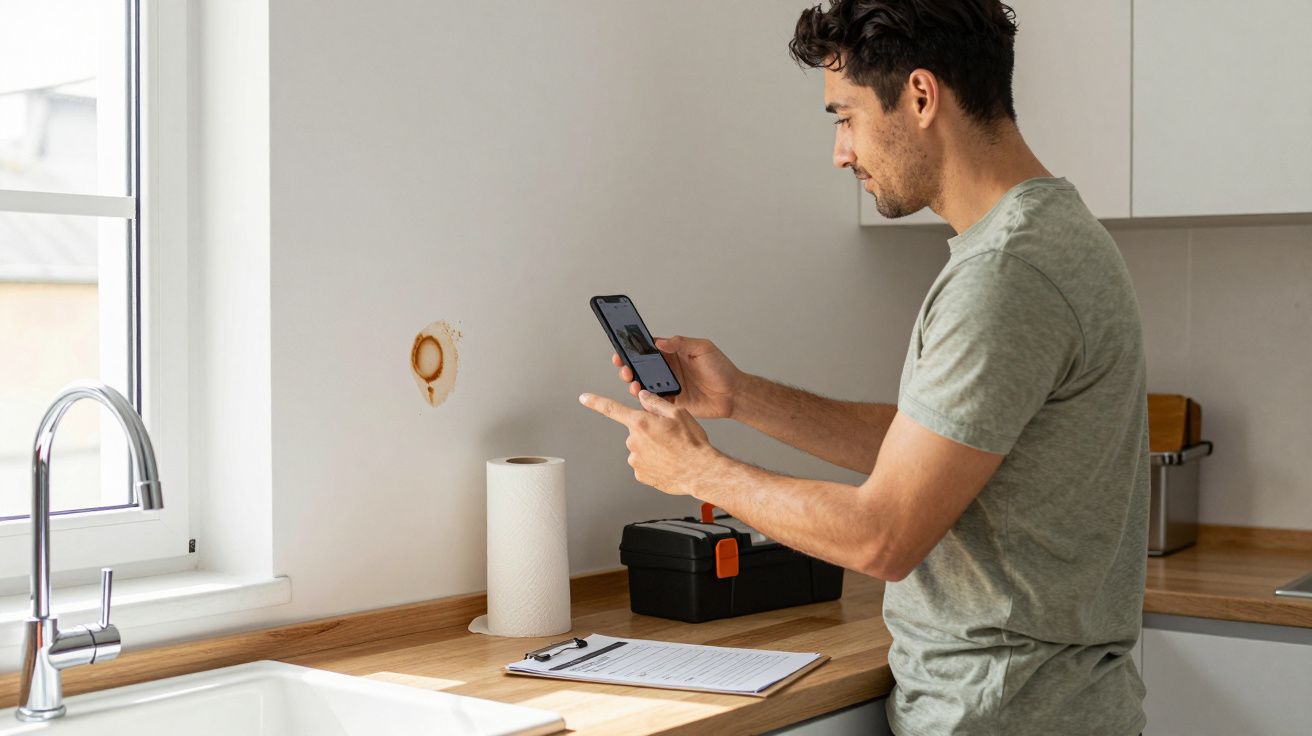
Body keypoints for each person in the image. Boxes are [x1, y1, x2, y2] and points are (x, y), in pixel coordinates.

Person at [579, 1, 1149, 734]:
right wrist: (742, 397)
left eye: (843, 117)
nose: (840, 153)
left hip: (1003, 713)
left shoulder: (1007, 275)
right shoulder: (1050, 236)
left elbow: (883, 536)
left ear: (919, 97)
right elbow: (929, 448)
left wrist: (701, 473)